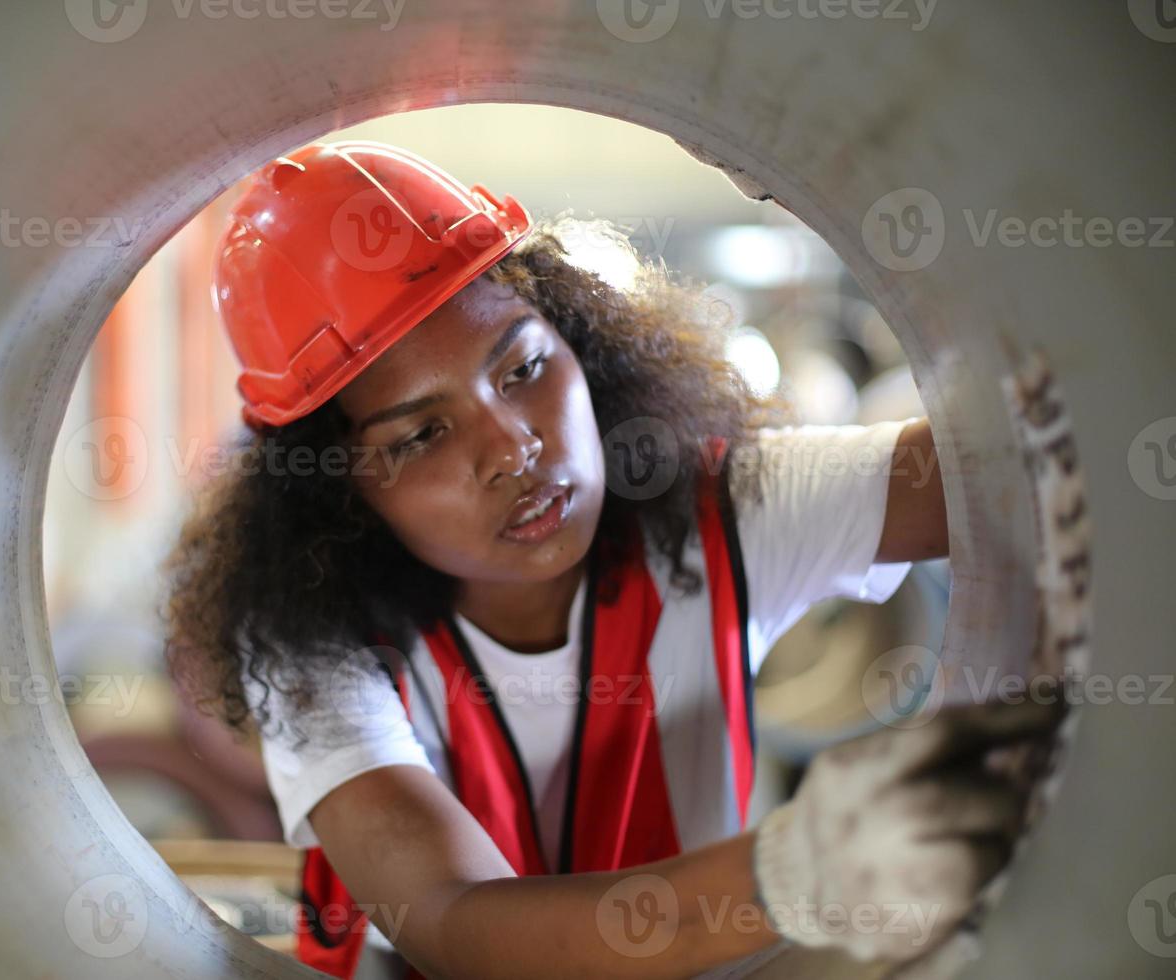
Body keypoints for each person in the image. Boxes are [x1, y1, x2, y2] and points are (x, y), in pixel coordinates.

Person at [163, 140, 1065, 978]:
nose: (513, 446)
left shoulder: (726, 516)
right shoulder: (314, 643)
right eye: (424, 434)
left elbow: (1021, 469)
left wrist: (850, 167)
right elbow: (453, 918)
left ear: (581, 351)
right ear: (340, 490)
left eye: (521, 369)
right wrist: (799, 871)